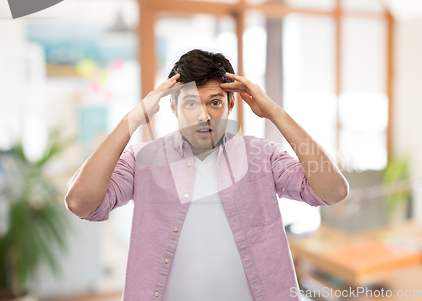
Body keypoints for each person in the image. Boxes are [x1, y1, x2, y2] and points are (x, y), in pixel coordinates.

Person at [65, 49, 349, 300]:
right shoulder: (142, 161)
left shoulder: (262, 157)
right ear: (173, 107)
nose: (203, 116)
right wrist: (133, 119)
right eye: (191, 104)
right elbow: (80, 202)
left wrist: (275, 113)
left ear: (230, 105)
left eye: (214, 103)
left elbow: (333, 191)